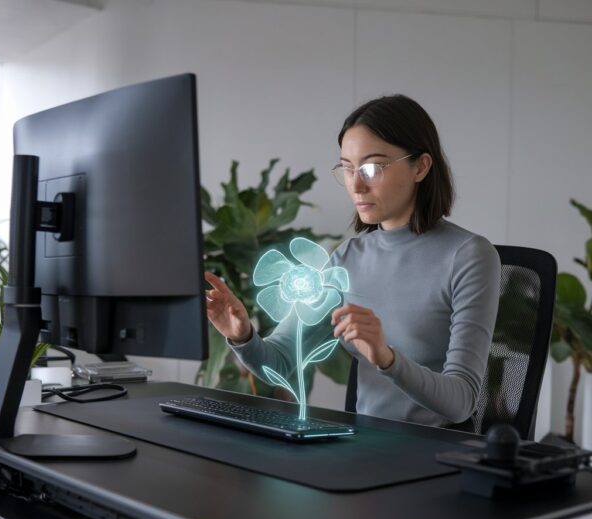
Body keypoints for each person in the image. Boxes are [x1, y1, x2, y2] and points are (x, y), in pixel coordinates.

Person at [205, 94, 500, 427]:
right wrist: (242, 336)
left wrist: (386, 357)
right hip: (361, 446)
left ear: (420, 166)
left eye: (373, 168)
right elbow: (281, 360)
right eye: (347, 169)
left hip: (433, 454)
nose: (357, 185)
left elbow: (461, 401)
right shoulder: (347, 258)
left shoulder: (469, 256)